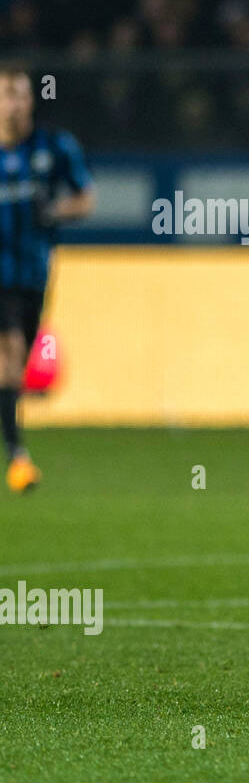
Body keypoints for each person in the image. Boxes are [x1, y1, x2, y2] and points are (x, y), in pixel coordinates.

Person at [0, 65, 96, 493]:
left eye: (20, 94)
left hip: (33, 273)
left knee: (14, 367)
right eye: (6, 95)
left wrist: (55, 212)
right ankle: (18, 456)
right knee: (10, 352)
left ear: (31, 100)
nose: (14, 104)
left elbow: (85, 198)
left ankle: (15, 450)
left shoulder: (54, 147)